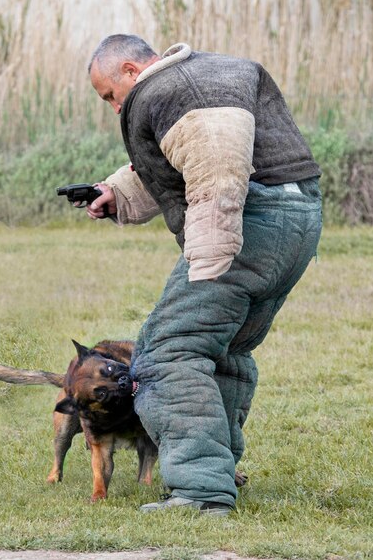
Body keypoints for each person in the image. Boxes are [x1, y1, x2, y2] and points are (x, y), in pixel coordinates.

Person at [84, 34, 322, 515]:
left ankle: (199, 491)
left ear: (131, 70)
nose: (113, 108)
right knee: (222, 348)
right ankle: (218, 471)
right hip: (296, 219)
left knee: (165, 353)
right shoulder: (205, 75)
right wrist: (118, 191)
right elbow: (185, 154)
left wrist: (211, 253)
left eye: (110, 95)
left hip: (249, 222)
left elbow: (216, 155)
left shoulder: (175, 87)